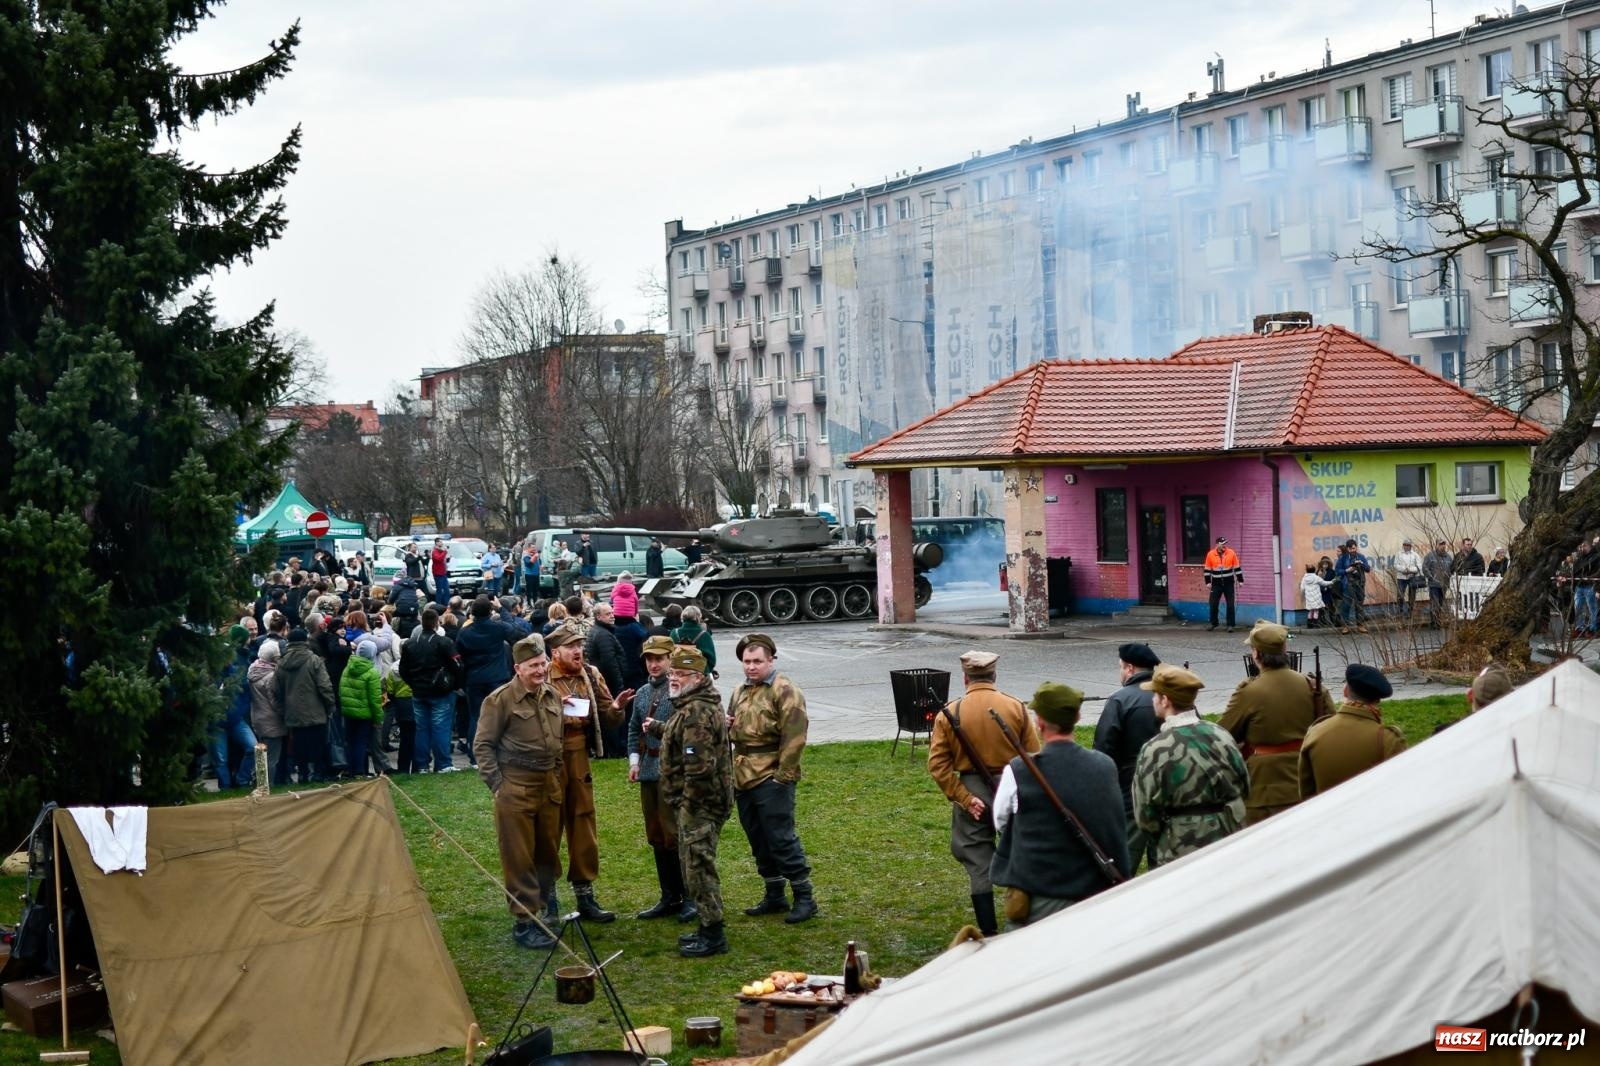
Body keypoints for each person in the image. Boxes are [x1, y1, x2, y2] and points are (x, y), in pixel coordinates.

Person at [990, 683, 1130, 927]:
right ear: (1077, 718)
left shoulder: (1018, 770)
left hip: (1040, 894)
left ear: (1039, 723)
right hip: (1094, 892)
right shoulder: (1105, 766)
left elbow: (1000, 820)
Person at [926, 650, 1039, 936]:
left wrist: (964, 798)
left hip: (972, 788)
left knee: (978, 861)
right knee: (1022, 851)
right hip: (1014, 786)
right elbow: (1034, 756)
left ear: (965, 678)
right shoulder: (1015, 707)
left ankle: (989, 932)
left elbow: (938, 765)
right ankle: (1026, 918)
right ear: (994, 675)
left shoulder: (950, 713)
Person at [475, 634, 564, 951]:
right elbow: (483, 746)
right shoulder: (499, 701)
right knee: (519, 855)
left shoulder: (551, 695)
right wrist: (498, 785)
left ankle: (544, 908)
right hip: (516, 784)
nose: (541, 670)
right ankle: (525, 922)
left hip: (548, 784)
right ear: (517, 668)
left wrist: (555, 773)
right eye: (533, 666)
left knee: (546, 850)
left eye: (543, 664)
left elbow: (558, 741)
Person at [648, 644, 735, 957]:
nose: (674, 678)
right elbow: (682, 735)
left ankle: (713, 933)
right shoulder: (691, 706)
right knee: (694, 864)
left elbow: (698, 767)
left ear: (698, 678)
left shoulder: (697, 711)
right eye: (672, 673)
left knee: (697, 866)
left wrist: (685, 802)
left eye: (681, 674)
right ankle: (706, 926)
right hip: (699, 803)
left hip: (700, 805)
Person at [544, 623, 633, 922]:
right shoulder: (541, 677)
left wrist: (617, 708)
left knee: (583, 824)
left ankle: (586, 897)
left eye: (580, 645)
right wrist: (557, 704)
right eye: (571, 646)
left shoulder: (591, 675)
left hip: (579, 755)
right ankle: (548, 900)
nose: (578, 651)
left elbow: (609, 716)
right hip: (550, 760)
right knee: (548, 826)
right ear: (555, 652)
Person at [727, 633, 816, 924]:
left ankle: (805, 896)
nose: (751, 667)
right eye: (746, 661)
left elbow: (795, 737)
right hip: (743, 775)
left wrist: (782, 777)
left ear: (771, 661)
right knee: (758, 838)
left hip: (771, 776)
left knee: (781, 837)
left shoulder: (785, 689)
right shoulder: (739, 690)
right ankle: (774, 893)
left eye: (757, 661)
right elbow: (732, 728)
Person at [1132, 665, 1248, 869]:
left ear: (1165, 700)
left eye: (1155, 695)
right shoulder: (1221, 734)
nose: (1152, 700)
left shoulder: (1155, 749)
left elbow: (1144, 813)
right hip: (1228, 838)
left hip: (1180, 845)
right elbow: (1245, 785)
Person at [1218, 621, 1334, 825]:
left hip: (1265, 789)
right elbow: (1332, 730)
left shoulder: (1249, 691)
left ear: (1256, 654)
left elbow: (1223, 734)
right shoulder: (1312, 686)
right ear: (1284, 651)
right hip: (1309, 780)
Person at [628, 635, 697, 922]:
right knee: (656, 835)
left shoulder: (680, 690)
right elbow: (633, 729)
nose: (654, 664)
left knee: (677, 835)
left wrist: (658, 727)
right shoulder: (643, 692)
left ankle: (690, 896)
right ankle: (669, 895)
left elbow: (688, 729)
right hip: (648, 771)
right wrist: (634, 761)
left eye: (659, 658)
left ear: (670, 659)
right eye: (649, 659)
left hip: (673, 771)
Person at [1092, 642, 1162, 871]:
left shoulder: (1120, 699)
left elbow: (1103, 749)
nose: (1120, 672)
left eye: (1121, 667)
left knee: (1124, 859)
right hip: (1168, 784)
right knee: (1162, 859)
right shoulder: (1171, 695)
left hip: (1130, 788)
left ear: (1130, 668)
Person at [1299, 664, 1406, 799]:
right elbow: (1399, 792)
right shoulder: (1389, 740)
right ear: (1378, 700)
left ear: (1345, 691)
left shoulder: (1315, 733)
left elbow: (1306, 795)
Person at [399, 608, 462, 773]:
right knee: (440, 727)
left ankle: (422, 765)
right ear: (436, 622)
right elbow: (457, 666)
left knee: (422, 729)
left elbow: (403, 669)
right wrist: (454, 684)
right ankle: (443, 764)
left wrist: (413, 684)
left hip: (419, 691)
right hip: (440, 691)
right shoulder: (444, 642)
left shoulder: (410, 644)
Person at [457, 596, 517, 770]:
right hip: (496, 678)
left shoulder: (465, 632)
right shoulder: (497, 628)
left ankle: (475, 757)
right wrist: (501, 609)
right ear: (490, 612)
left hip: (474, 679)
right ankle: (500, 752)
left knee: (476, 717)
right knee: (499, 716)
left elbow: (460, 652)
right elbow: (512, 628)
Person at [275, 627, 334, 783]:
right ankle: (318, 773)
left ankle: (303, 774)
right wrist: (330, 705)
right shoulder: (314, 660)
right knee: (319, 744)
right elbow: (324, 685)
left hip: (293, 712)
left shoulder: (281, 663)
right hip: (316, 711)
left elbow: (275, 690)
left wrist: (282, 710)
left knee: (298, 746)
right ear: (305, 641)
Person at [339, 621, 384, 777]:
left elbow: (341, 689)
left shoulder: (347, 668)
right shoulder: (371, 673)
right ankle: (359, 770)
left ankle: (350, 769)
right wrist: (378, 718)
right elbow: (374, 698)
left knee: (350, 741)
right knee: (361, 742)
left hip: (348, 711)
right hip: (364, 713)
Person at [248, 640, 288, 785]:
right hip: (272, 721)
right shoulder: (271, 677)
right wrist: (285, 713)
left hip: (257, 717)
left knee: (260, 754)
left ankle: (257, 781)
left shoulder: (253, 669)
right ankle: (266, 786)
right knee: (272, 758)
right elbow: (275, 701)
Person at [1203, 535, 1243, 632]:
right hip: (1216, 584)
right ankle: (1214, 623)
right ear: (1217, 545)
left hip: (1229, 583)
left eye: (1225, 543)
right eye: (1222, 544)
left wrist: (1240, 580)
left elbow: (1237, 567)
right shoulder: (1210, 554)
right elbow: (1207, 569)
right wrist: (1208, 582)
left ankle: (1230, 625)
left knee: (1230, 605)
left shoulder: (1231, 553)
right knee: (1213, 604)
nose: (1224, 545)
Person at [1336, 539, 1371, 633]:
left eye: (1354, 548)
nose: (1353, 550)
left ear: (1356, 547)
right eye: (1351, 549)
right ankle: (1345, 626)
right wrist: (1347, 570)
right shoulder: (1343, 558)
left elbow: (1368, 569)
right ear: (1347, 549)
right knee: (1346, 605)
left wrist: (1362, 564)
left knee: (1359, 605)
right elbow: (1338, 571)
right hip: (1348, 584)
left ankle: (1360, 625)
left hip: (1360, 584)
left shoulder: (1361, 556)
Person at [671, 605, 717, 676]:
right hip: (698, 673)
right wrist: (705, 672)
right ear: (698, 617)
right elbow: (712, 660)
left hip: (678, 672)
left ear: (683, 616)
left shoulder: (674, 633)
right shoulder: (704, 635)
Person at [1423, 538, 1454, 628]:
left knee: (1440, 603)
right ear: (1436, 545)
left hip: (1444, 584)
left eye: (1444, 544)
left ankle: (1437, 620)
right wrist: (1431, 577)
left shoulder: (1448, 557)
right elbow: (1425, 568)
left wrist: (1449, 578)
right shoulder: (1430, 556)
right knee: (1435, 603)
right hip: (1434, 584)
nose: (1442, 546)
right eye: (1440, 544)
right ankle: (1434, 622)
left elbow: (1451, 569)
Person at [1393, 538, 1425, 617]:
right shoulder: (1398, 554)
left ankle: (1410, 612)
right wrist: (1403, 569)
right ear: (1403, 545)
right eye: (1405, 545)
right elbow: (1395, 565)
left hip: (1412, 578)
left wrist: (1410, 570)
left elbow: (1419, 566)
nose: (1406, 546)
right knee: (1400, 595)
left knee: (1412, 596)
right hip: (1401, 577)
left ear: (1411, 546)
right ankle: (1399, 611)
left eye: (1408, 545)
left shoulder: (1415, 555)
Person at [1300, 564, 1335, 629]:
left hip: (1308, 597)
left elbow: (1302, 588)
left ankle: (1309, 624)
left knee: (1310, 611)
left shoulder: (1304, 578)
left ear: (1307, 571)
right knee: (1316, 610)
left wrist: (1302, 596)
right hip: (1316, 597)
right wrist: (1332, 582)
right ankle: (1316, 624)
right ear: (1314, 570)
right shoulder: (1316, 577)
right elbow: (1324, 583)